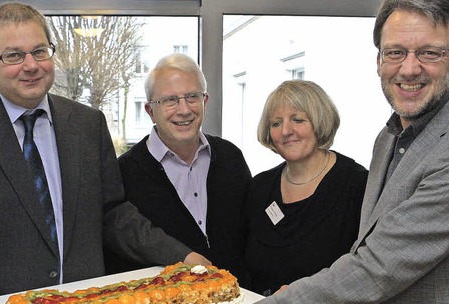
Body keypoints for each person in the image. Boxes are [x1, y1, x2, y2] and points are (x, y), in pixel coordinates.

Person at [0, 3, 209, 304]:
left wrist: (181, 255)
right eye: (14, 55)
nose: (31, 65)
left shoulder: (88, 124)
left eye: (40, 51)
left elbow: (113, 214)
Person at [259, 0, 449, 302]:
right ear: (379, 62)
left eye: (429, 52)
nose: (410, 68)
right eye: (395, 52)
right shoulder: (386, 139)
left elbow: (376, 269)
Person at [103, 53, 252, 284]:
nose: (184, 110)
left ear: (205, 101)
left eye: (192, 96)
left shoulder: (231, 157)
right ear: (150, 111)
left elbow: (251, 236)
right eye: (170, 100)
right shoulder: (124, 173)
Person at [244, 80, 368, 296]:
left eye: (298, 120)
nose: (285, 131)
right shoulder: (259, 187)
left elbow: (365, 271)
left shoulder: (357, 185)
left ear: (320, 122)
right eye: (275, 123)